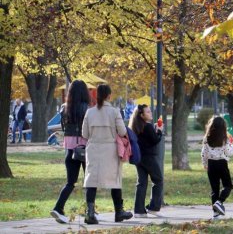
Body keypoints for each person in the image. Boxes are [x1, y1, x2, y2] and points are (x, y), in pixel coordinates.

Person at [82, 84, 132, 224]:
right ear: (109, 96)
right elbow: (122, 132)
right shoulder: (114, 112)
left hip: (93, 149)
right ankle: (119, 212)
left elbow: (84, 134)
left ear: (96, 95)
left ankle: (90, 213)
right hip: (110, 149)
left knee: (91, 181)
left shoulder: (89, 112)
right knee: (115, 181)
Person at [50, 80, 90, 224]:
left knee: (70, 182)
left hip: (69, 149)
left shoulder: (64, 108)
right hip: (85, 148)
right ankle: (89, 211)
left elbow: (63, 127)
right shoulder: (88, 108)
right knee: (89, 181)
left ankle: (58, 207)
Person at [129, 104, 164, 218]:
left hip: (139, 158)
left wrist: (155, 130)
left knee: (142, 183)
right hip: (149, 157)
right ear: (142, 115)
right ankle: (153, 207)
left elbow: (146, 139)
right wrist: (159, 131)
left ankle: (139, 210)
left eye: (150, 111)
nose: (150, 113)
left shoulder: (136, 126)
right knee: (158, 180)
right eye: (148, 112)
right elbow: (154, 140)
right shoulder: (147, 126)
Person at [201, 116, 233, 219]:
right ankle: (219, 201)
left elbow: (204, 152)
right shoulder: (224, 139)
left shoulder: (206, 138)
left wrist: (205, 164)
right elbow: (229, 152)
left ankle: (215, 214)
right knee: (228, 186)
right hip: (222, 164)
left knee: (214, 189)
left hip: (211, 165)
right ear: (223, 127)